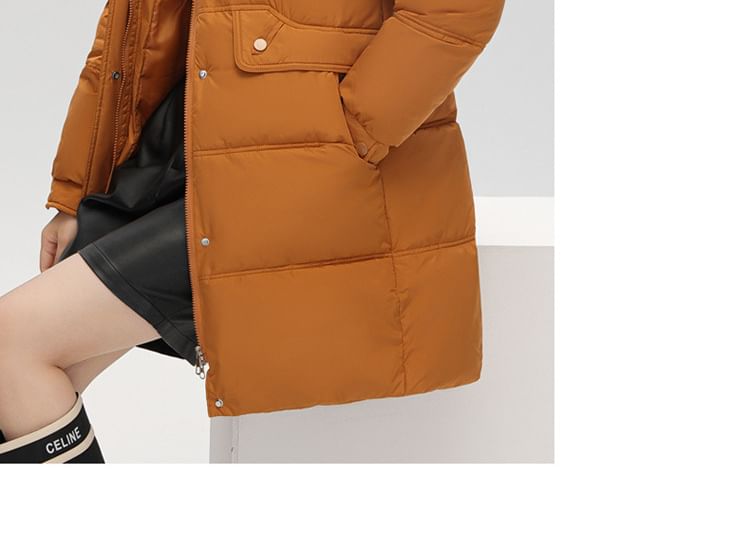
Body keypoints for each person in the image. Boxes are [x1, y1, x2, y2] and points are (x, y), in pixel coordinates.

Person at [0, 0, 505, 463]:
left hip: (295, 172)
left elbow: (455, 12)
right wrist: (77, 188)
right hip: (178, 150)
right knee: (18, 386)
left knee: (13, 345)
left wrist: (345, 135)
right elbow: (129, 27)